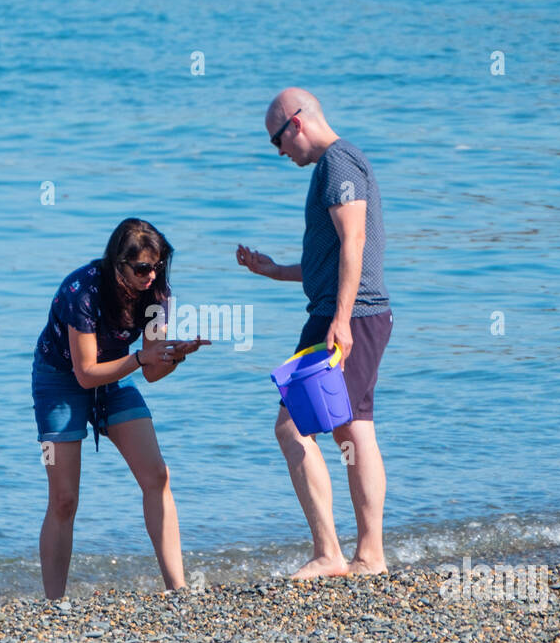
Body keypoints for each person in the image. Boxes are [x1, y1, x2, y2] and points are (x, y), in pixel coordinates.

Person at [237, 87, 393, 579]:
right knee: (353, 429)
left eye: (276, 141)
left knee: (291, 426)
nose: (280, 153)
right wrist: (274, 271)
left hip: (347, 318)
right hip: (354, 314)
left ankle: (332, 553)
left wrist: (341, 320)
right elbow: (331, 261)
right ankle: (369, 556)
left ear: (296, 122)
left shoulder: (338, 164)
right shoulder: (340, 163)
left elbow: (355, 242)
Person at [32, 218, 209, 599]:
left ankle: (176, 589)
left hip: (118, 376)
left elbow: (152, 374)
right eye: (142, 268)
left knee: (157, 475)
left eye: (157, 266)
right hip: (60, 380)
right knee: (64, 499)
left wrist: (173, 356)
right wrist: (142, 358)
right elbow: (85, 374)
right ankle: (53, 603)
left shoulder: (158, 294)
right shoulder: (80, 291)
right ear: (117, 264)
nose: (151, 275)